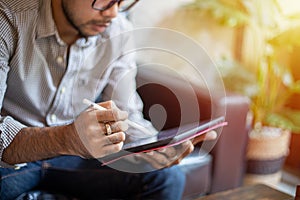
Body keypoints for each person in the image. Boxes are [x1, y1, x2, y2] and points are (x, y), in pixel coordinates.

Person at [0, 0, 217, 199]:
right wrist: (66, 138)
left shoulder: (118, 30)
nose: (113, 13)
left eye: (121, 1)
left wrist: (154, 148)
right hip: (13, 158)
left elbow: (128, 115)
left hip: (76, 158)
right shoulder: (8, 17)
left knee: (166, 176)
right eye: (103, 0)